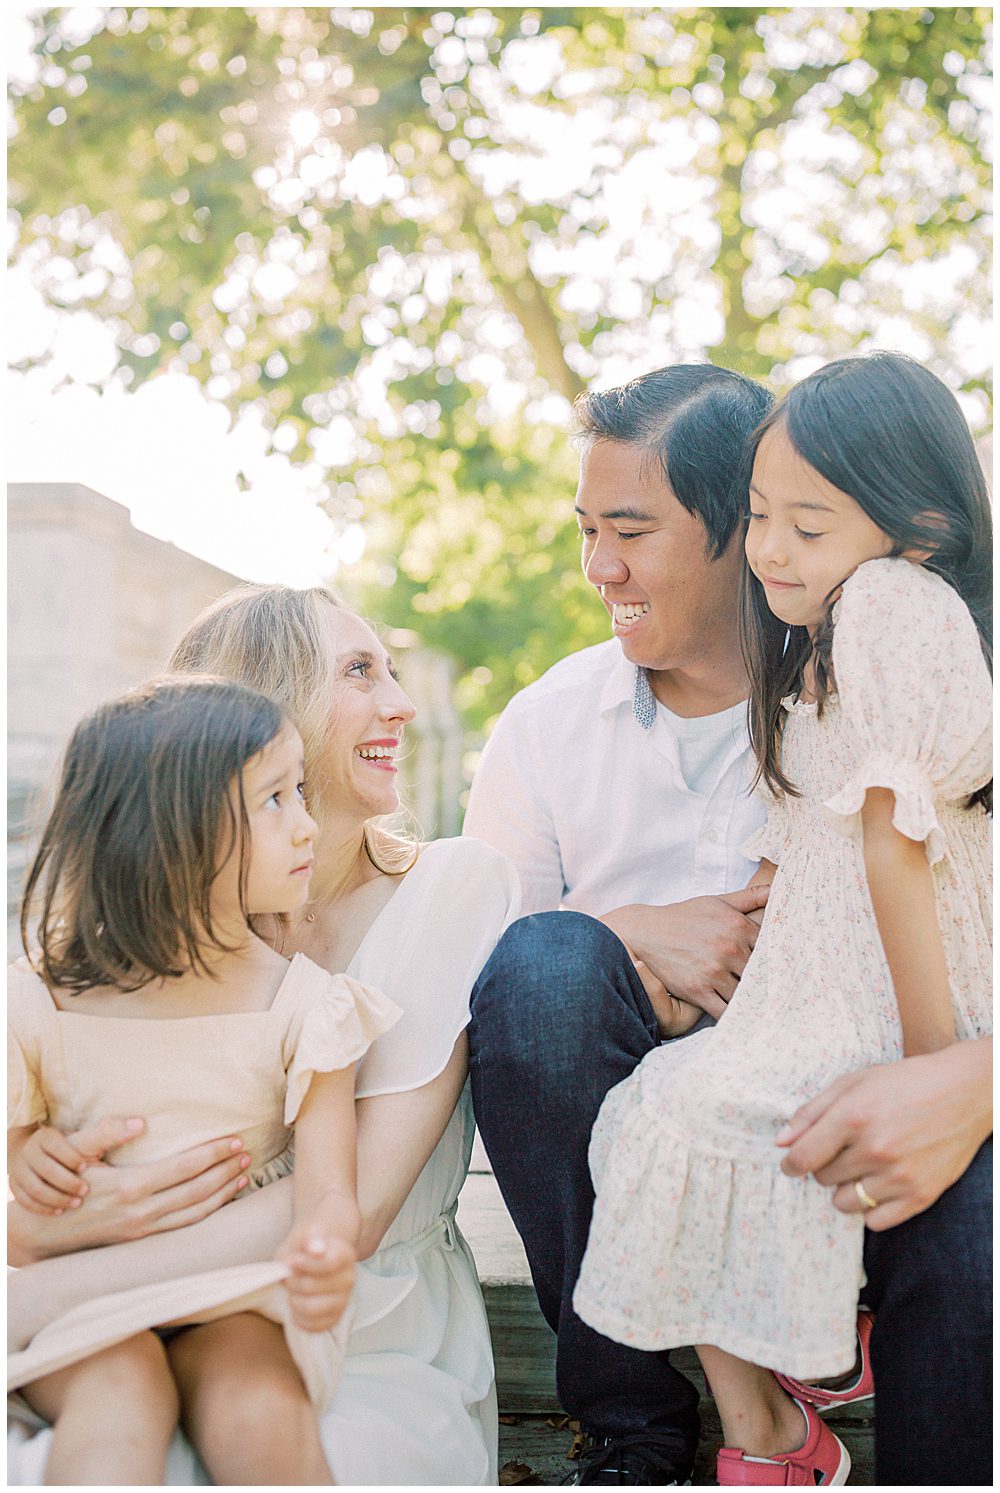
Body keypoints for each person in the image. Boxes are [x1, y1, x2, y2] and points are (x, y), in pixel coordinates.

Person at [466, 360, 993, 1486]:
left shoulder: (878, 666)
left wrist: (960, 1070)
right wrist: (628, 932)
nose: (598, 567)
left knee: (968, 1169)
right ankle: (635, 1435)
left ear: (728, 525)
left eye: (632, 530)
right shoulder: (547, 725)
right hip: (651, 1116)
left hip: (866, 1096)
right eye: (585, 529)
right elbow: (487, 999)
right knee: (549, 962)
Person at [7, 586, 520, 1486]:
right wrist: (45, 1194)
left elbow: (347, 1207)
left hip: (348, 1322)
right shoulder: (125, 963)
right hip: (113, 1332)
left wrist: (49, 1282)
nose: (398, 703)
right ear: (253, 717)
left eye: (390, 671)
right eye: (360, 671)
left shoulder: (448, 886)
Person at [8, 675, 400, 1484]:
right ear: (167, 834)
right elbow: (20, 1161)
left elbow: (329, 1187)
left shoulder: (305, 1005)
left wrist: (323, 1245)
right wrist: (26, 1160)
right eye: (274, 800)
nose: (307, 824)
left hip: (235, 1298)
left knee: (260, 1410)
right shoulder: (40, 998)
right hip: (79, 1301)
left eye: (301, 791)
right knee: (118, 1401)